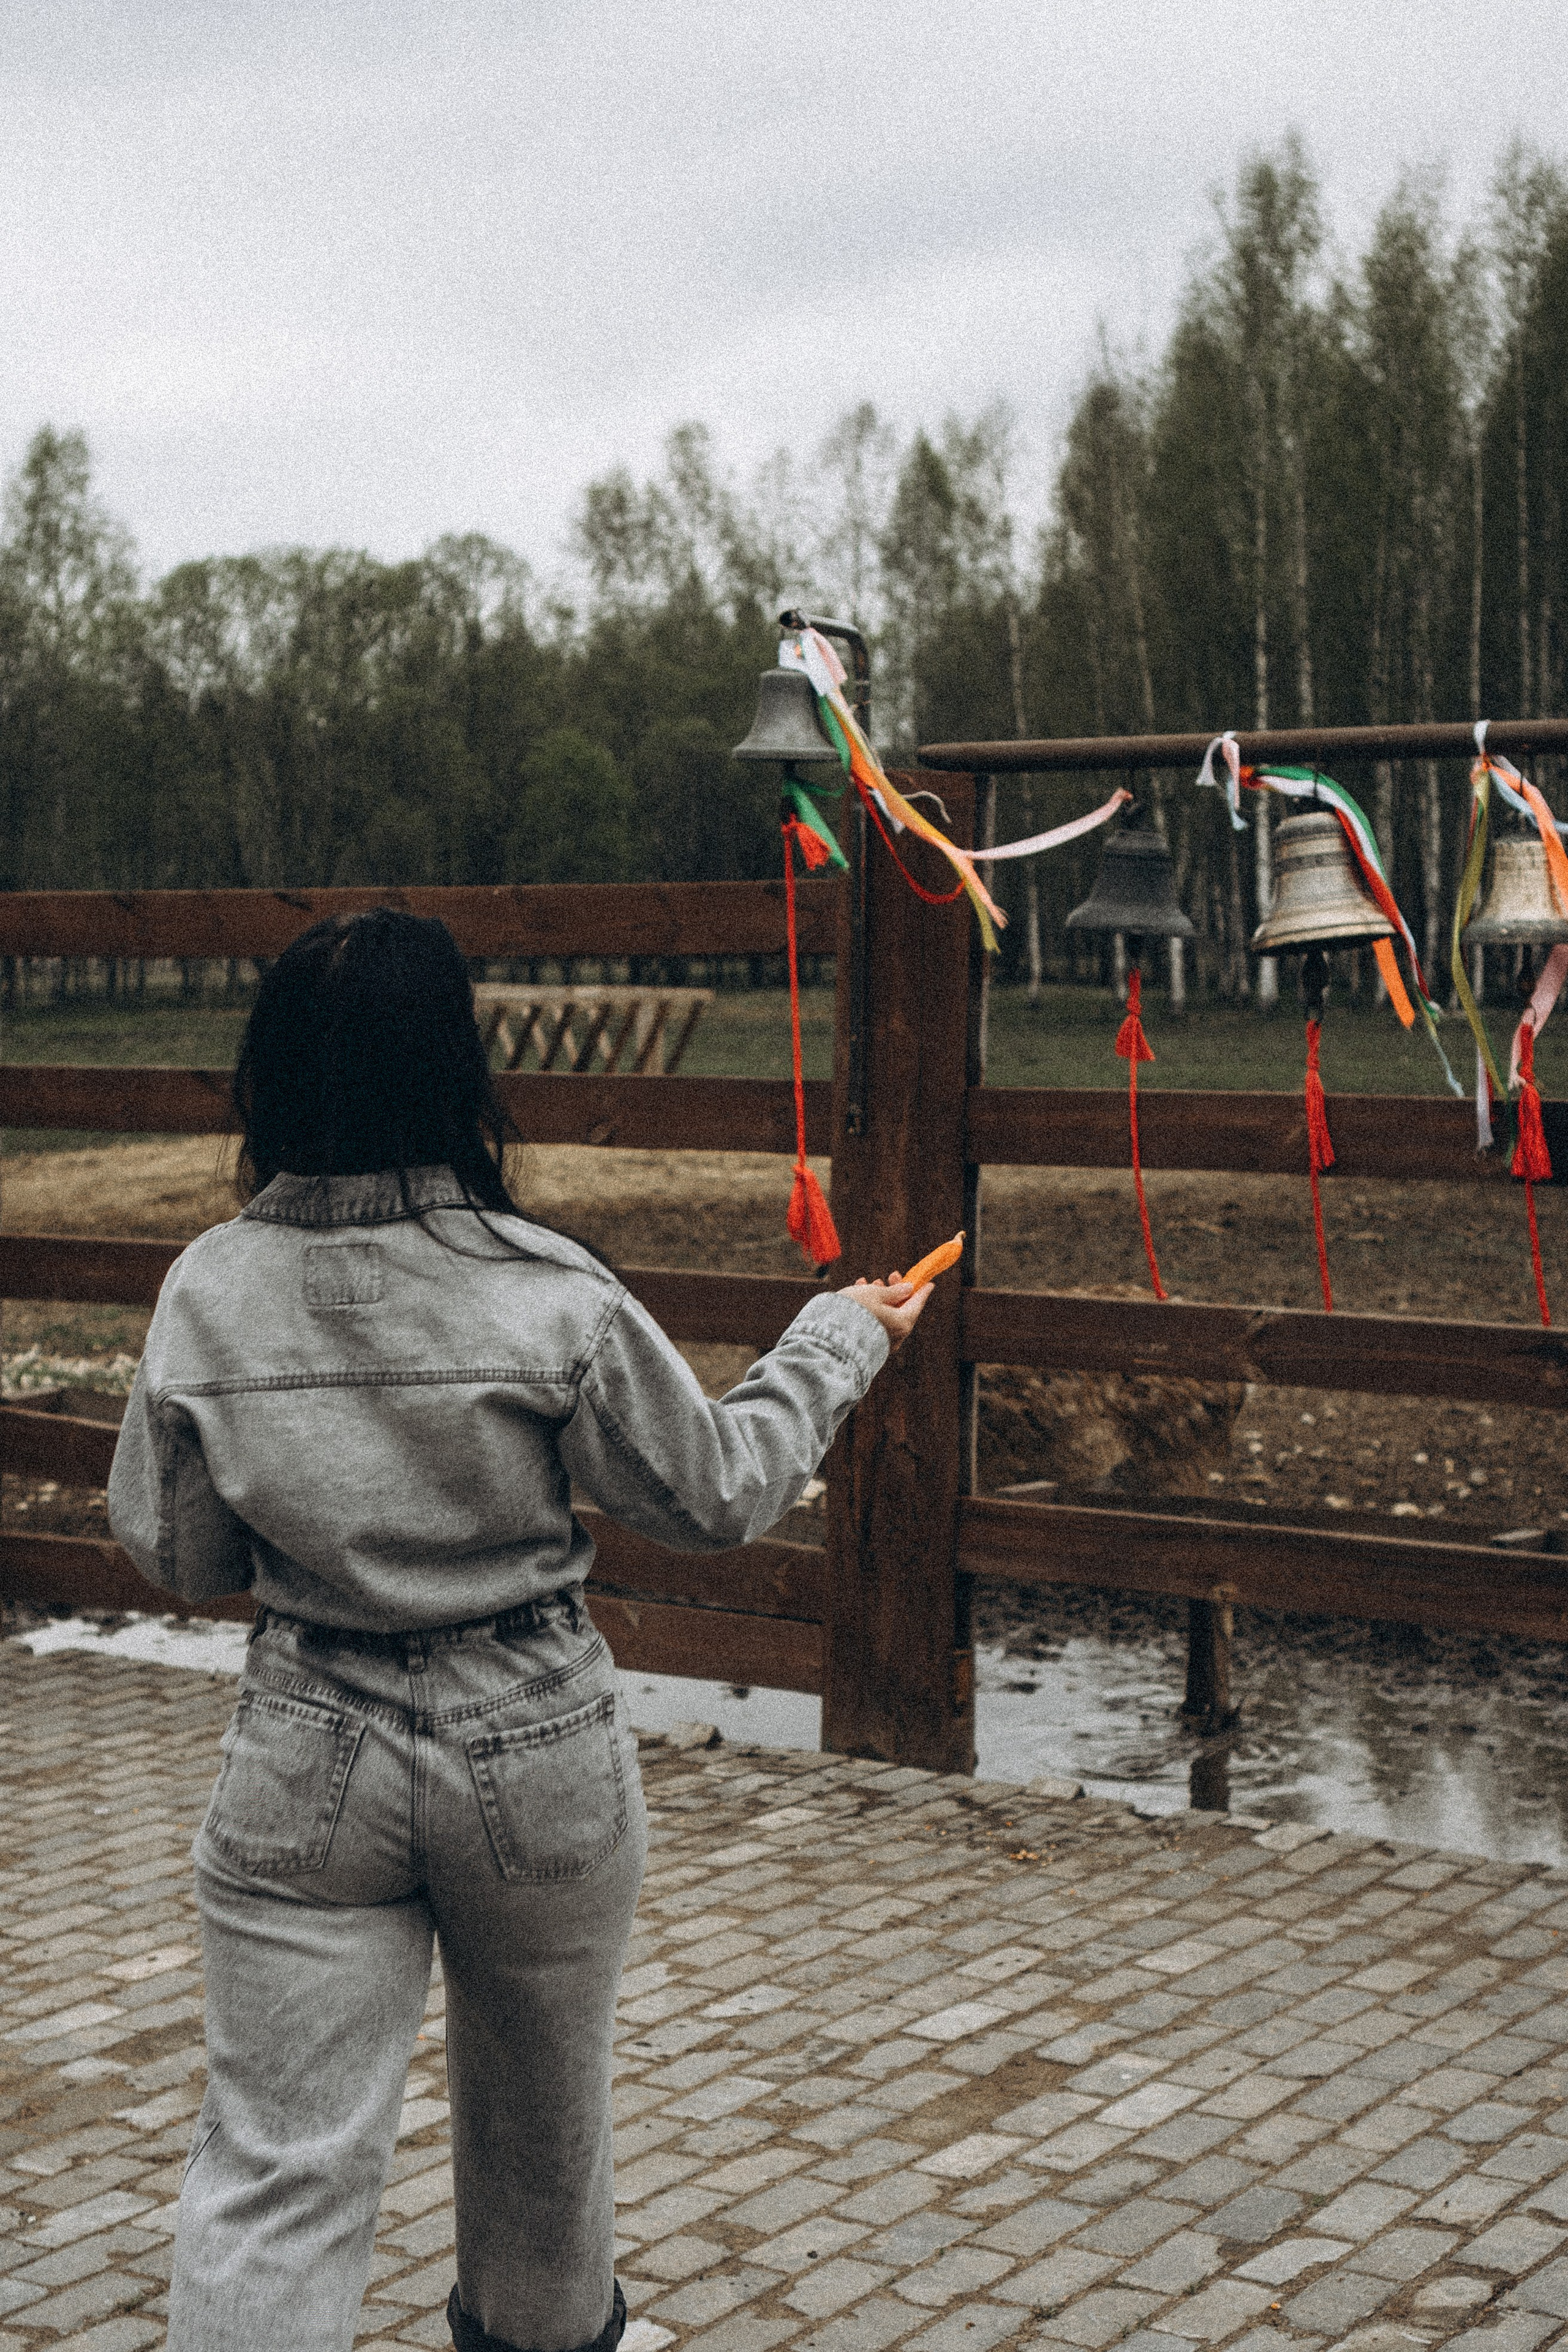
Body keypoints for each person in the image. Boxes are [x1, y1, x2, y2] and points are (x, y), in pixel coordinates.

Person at [107, 908, 929, 2352]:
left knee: (276, 2174)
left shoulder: (208, 1291)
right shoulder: (548, 1284)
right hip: (535, 1747)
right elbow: (718, 1492)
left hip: (305, 1747)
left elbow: (178, 1551)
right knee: (545, 2167)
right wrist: (838, 1336)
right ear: (455, 1071)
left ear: (271, 1075)